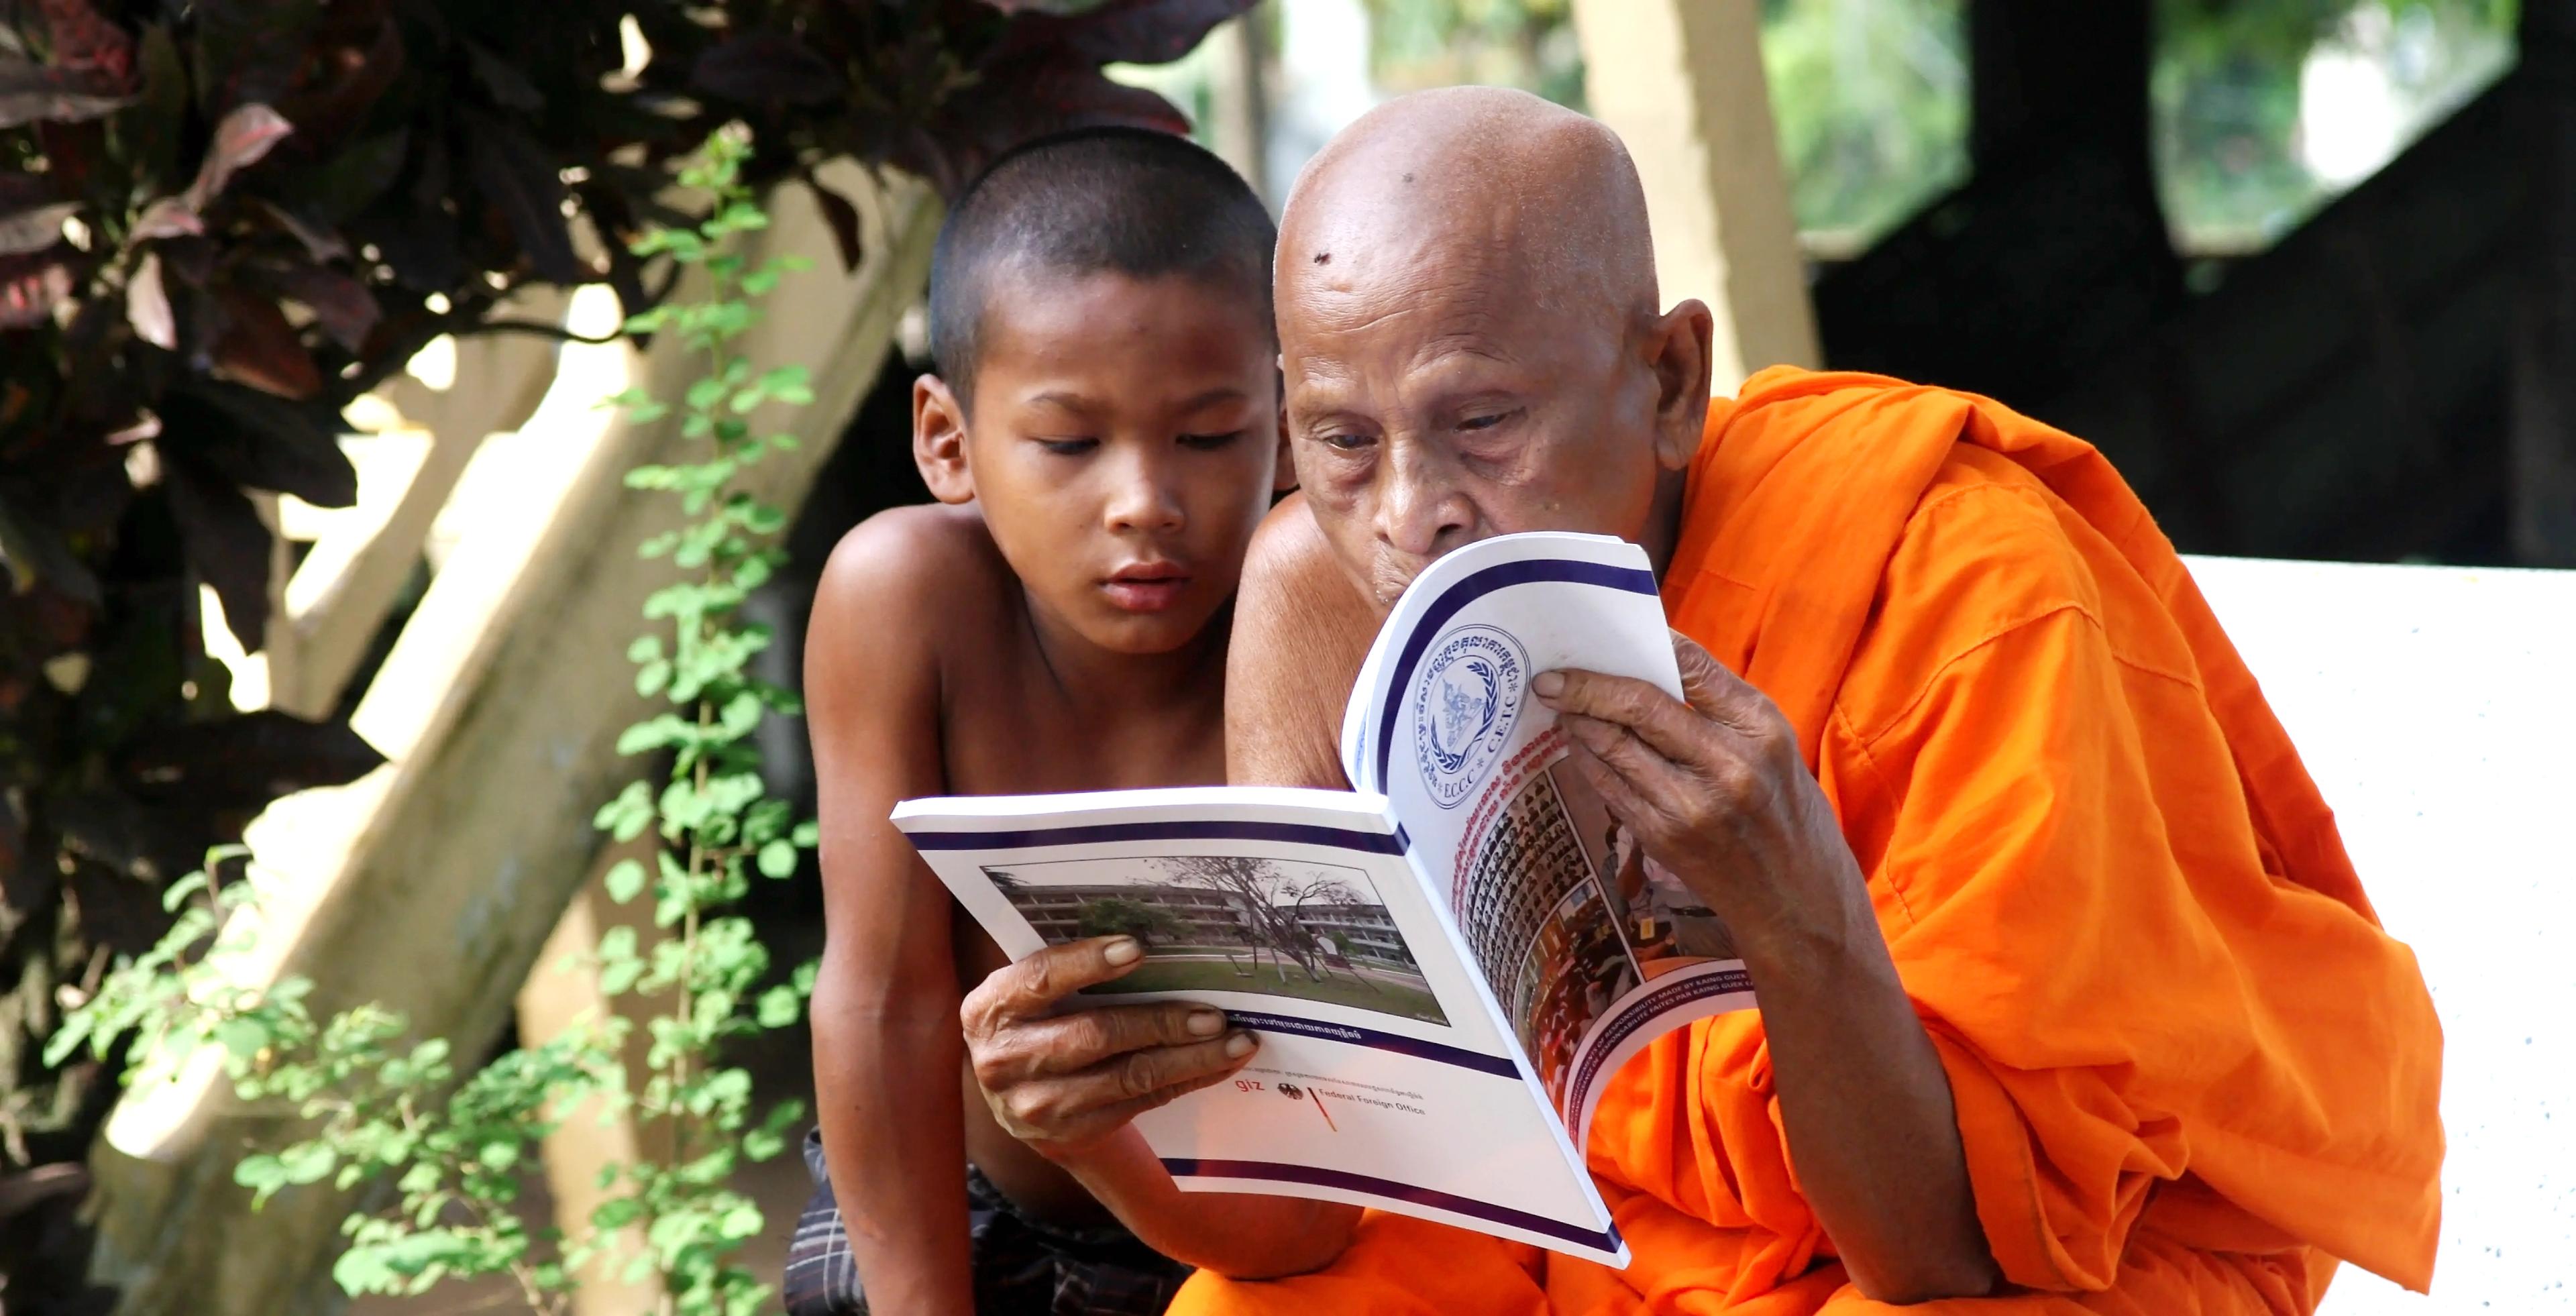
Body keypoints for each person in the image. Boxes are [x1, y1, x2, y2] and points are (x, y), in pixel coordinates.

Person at [957, 87, 2448, 1315]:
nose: (1415, 513)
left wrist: (1796, 912)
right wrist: (1098, 1134)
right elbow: (1313, 1234)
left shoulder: (1968, 584)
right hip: (1590, 1242)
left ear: (1669, 377)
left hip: (1987, 1254)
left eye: (1483, 424)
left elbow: (1952, 1258)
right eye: (1342, 441)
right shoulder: (1311, 595)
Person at [794, 126, 1297, 1316]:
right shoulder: (906, 601)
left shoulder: (1308, 601)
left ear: (1288, 418)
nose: (1144, 503)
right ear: (948, 441)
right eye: (1071, 442)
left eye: (1211, 436)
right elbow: (883, 1000)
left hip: (1256, 1240)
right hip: (964, 1213)